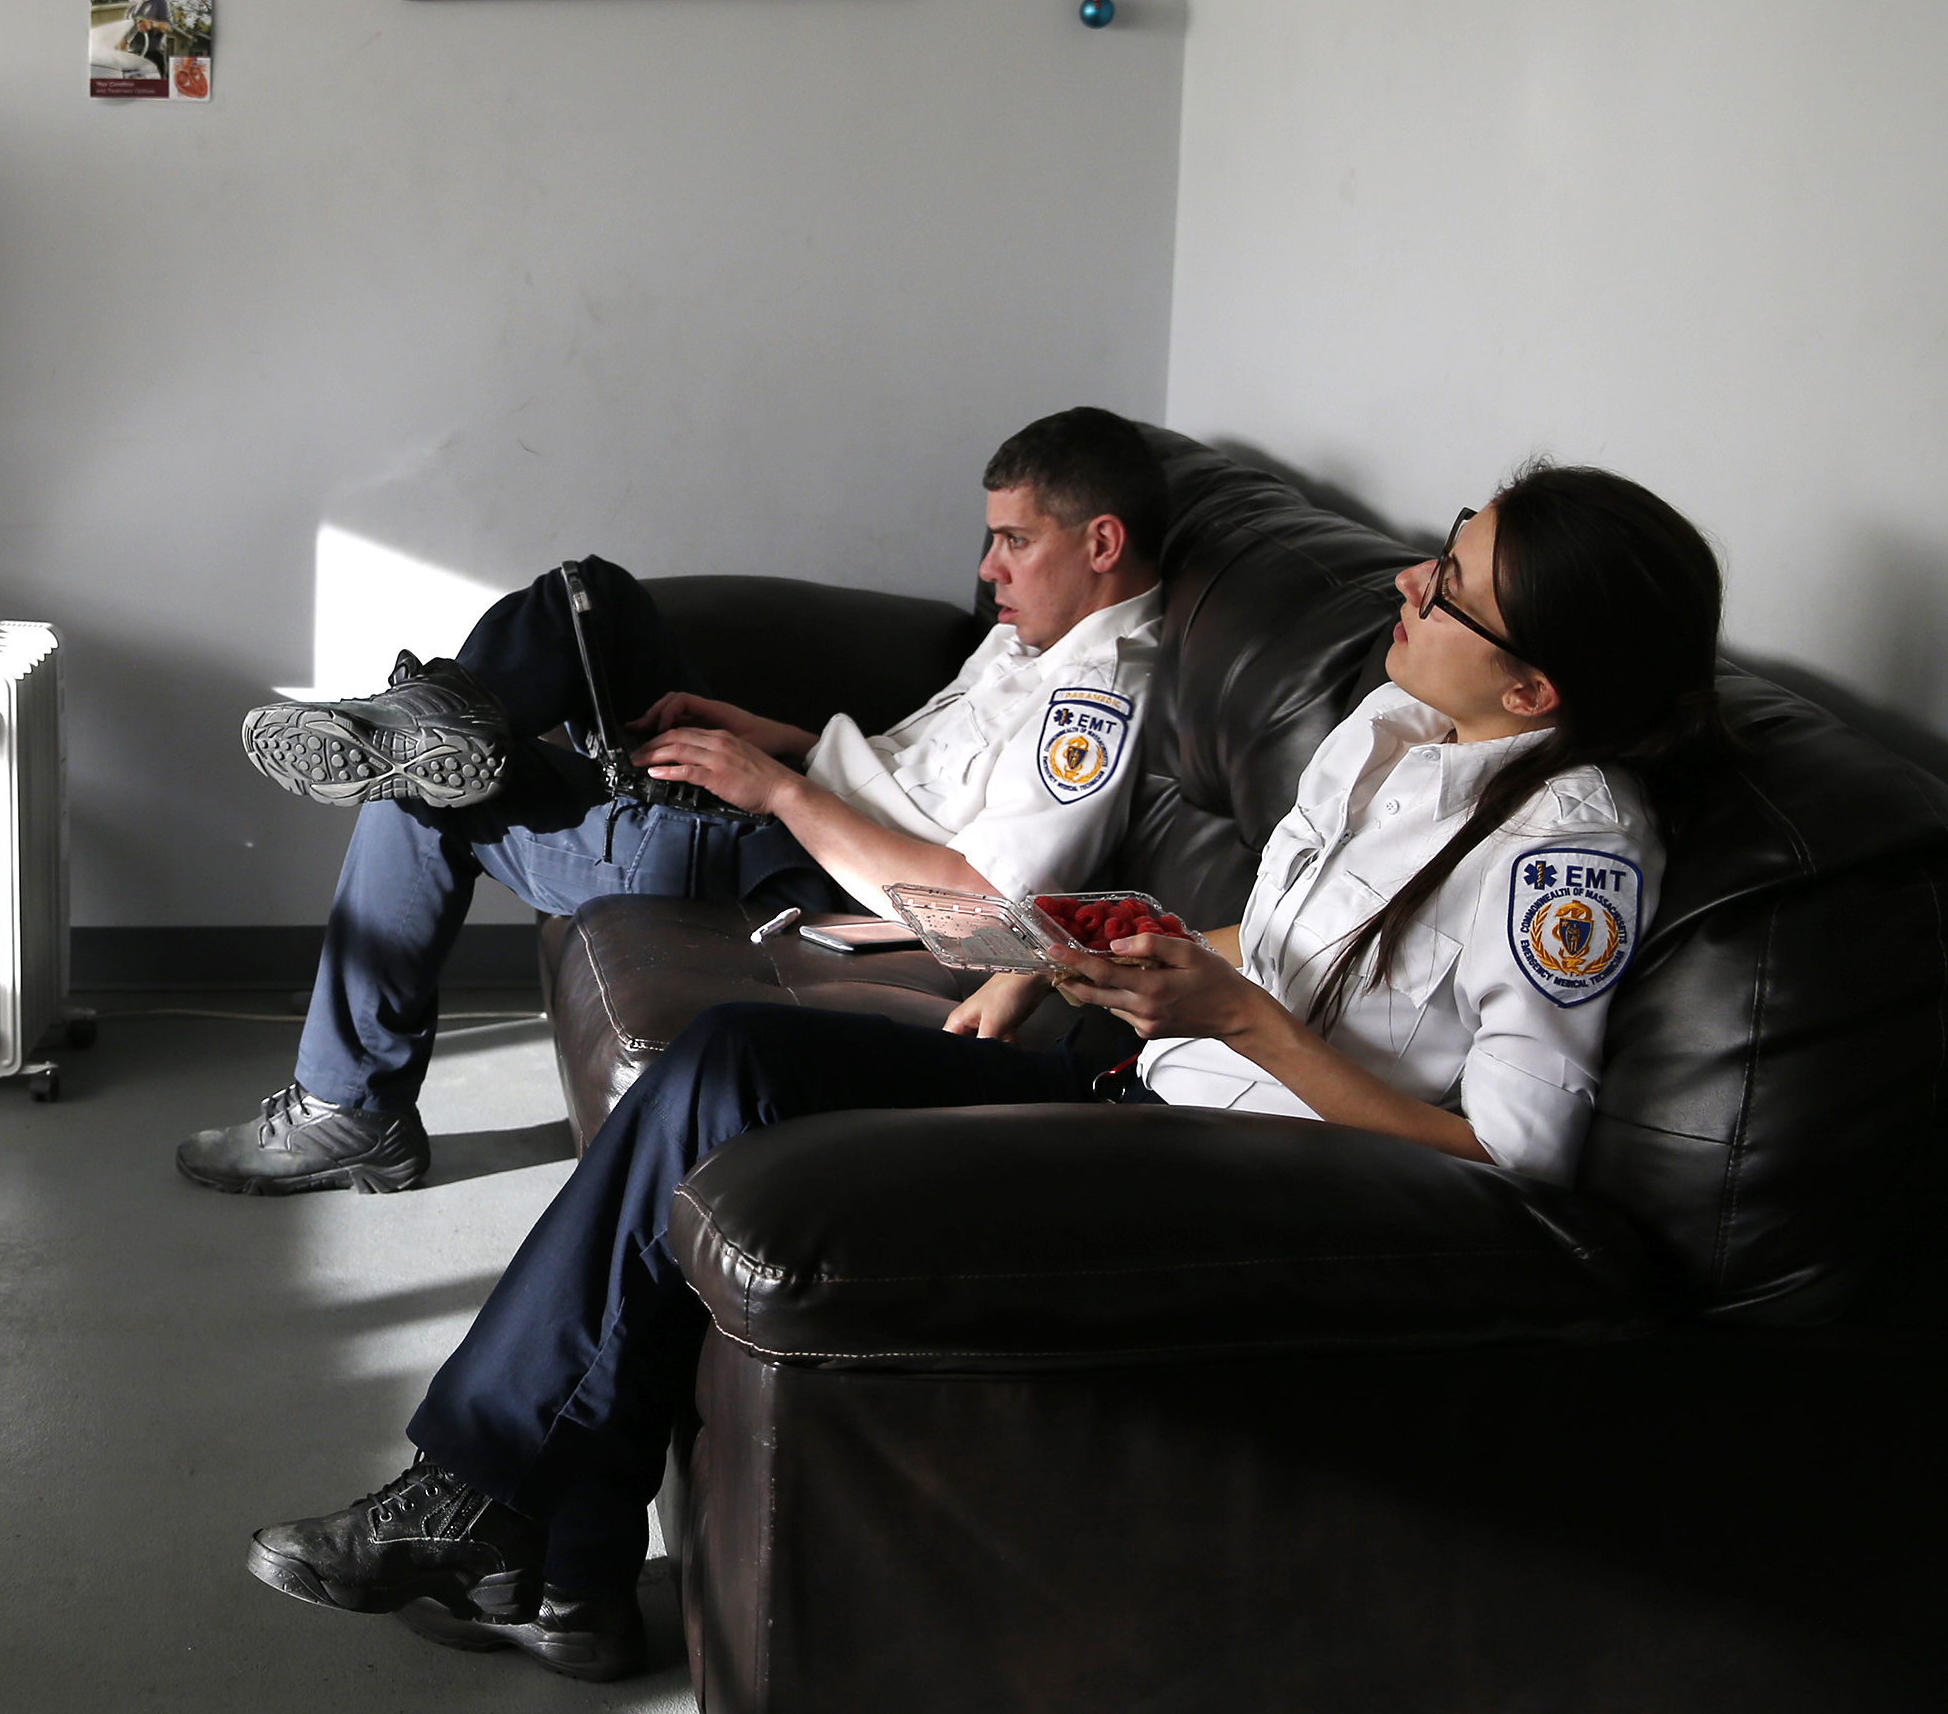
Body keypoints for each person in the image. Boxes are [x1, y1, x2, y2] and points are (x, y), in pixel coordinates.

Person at [242, 464, 1723, 1682]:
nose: (1407, 584)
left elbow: (1512, 1166)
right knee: (726, 1059)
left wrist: (1236, 1021)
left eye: (1448, 588)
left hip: (1261, 1185)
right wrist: (1071, 950)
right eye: (1437, 552)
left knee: (719, 1063)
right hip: (1151, 1084)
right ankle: (543, 1554)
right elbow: (1276, 937)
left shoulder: (1568, 852)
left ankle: (501, 1515)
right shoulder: (1397, 724)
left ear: (1532, 690)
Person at [177, 407, 1172, 1195]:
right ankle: (450, 713)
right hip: (790, 805)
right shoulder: (1030, 632)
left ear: (1100, 542)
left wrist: (772, 787)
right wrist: (755, 731)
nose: (987, 567)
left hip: (782, 860)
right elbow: (896, 765)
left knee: (417, 802)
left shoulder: (1096, 699)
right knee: (591, 597)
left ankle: (347, 1111)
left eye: (1013, 541)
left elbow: (983, 915)